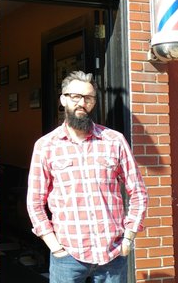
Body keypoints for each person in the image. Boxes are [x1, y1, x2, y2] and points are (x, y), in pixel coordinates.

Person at [26, 71, 148, 283]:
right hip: (68, 257)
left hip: (113, 255)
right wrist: (54, 245)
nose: (82, 103)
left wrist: (129, 237)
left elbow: (138, 192)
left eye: (88, 98)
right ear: (63, 99)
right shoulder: (46, 146)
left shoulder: (114, 140)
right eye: (75, 97)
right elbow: (35, 202)